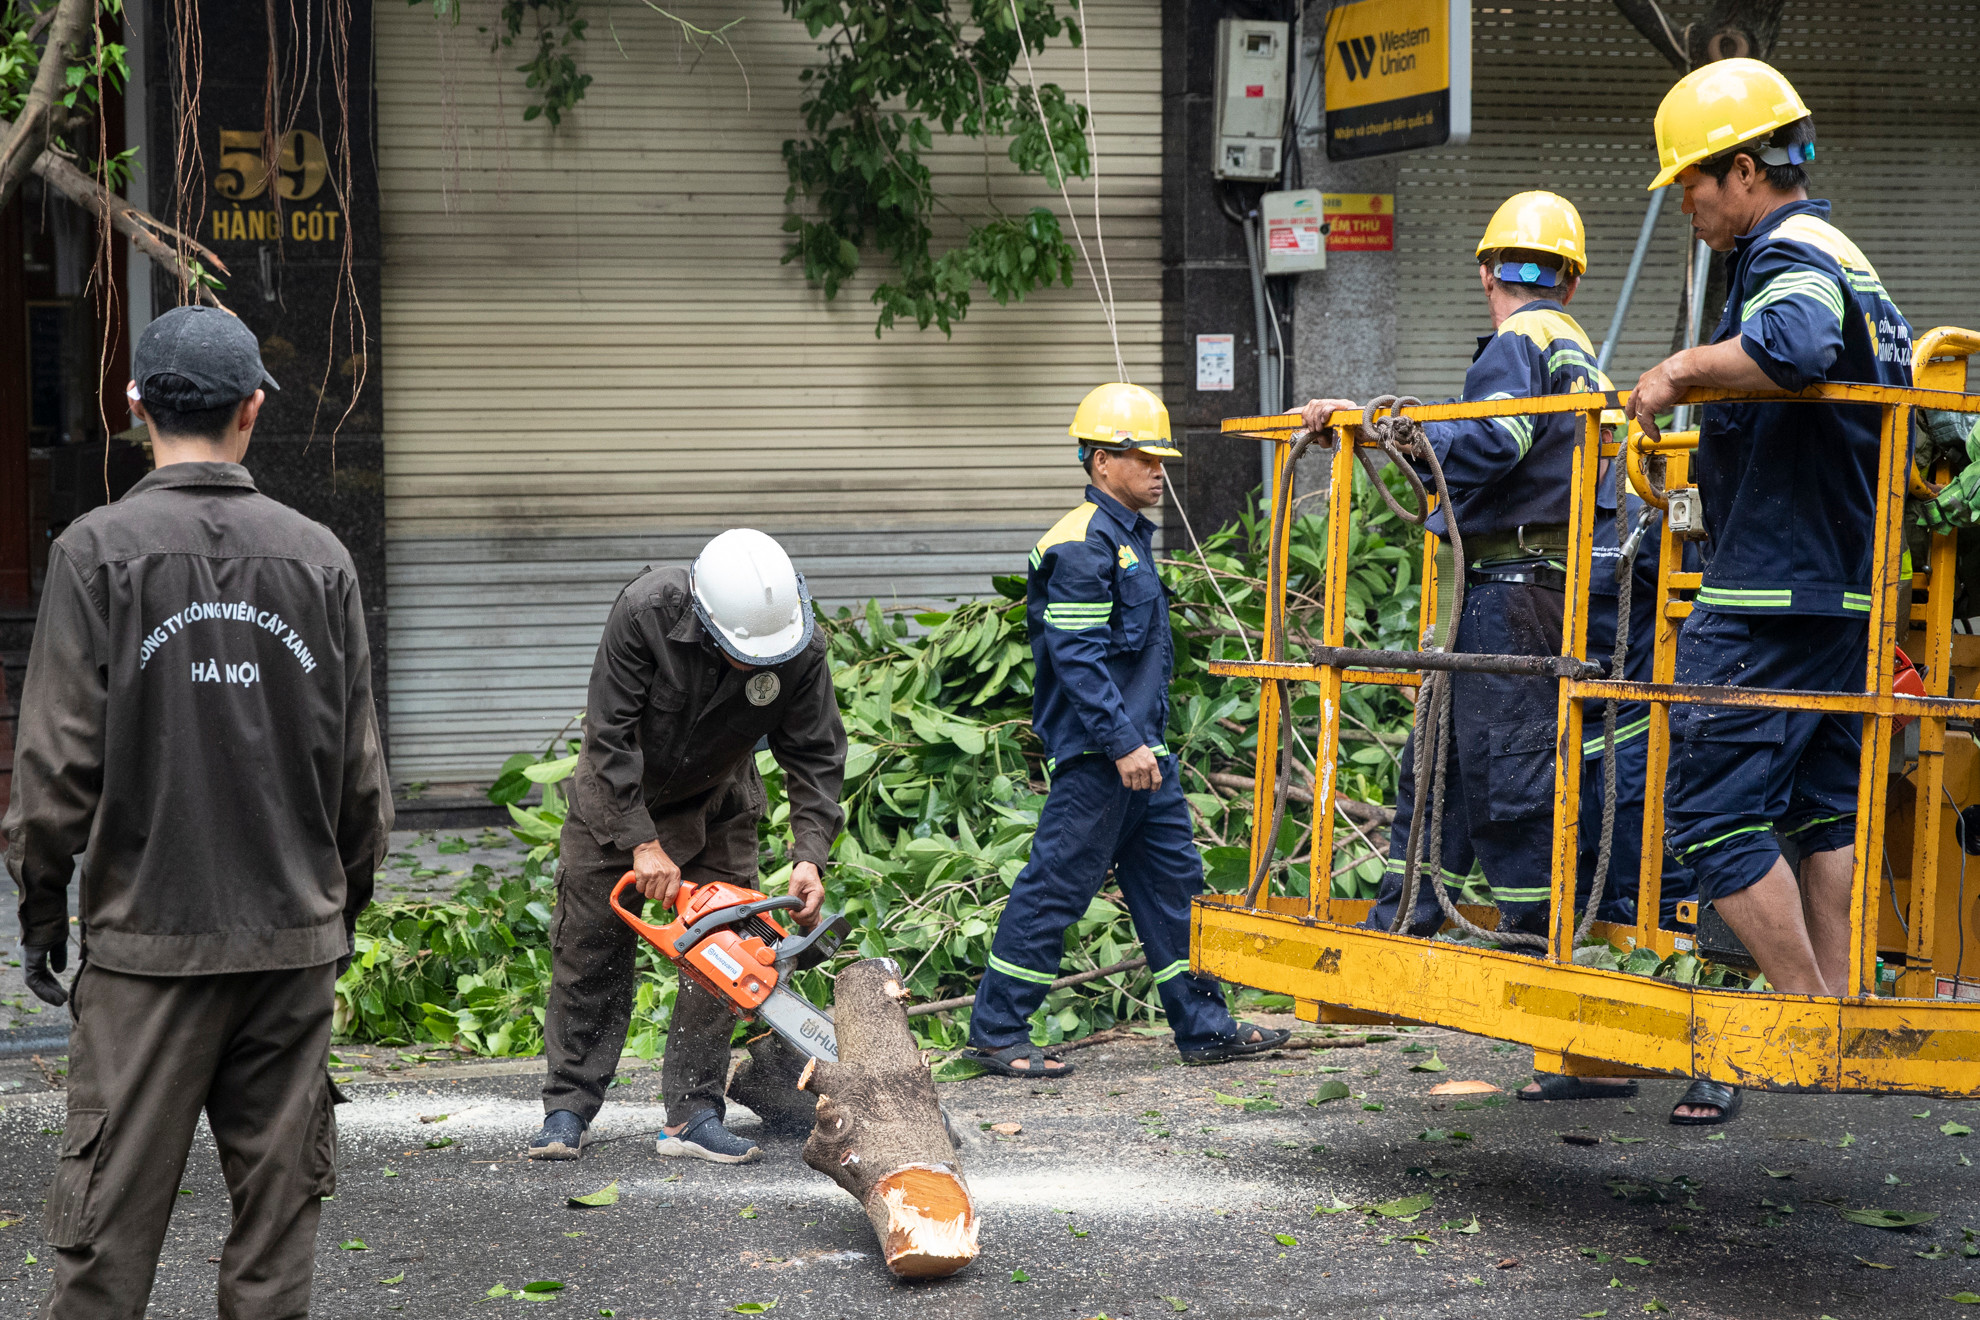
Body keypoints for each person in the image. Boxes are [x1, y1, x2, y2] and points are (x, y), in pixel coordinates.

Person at [2, 305, 391, 1319]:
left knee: (102, 1243)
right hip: (289, 952)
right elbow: (361, 783)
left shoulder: (95, 555)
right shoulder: (320, 560)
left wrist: (43, 915)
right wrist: (335, 914)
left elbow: (51, 770)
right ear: (253, 409)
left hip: (144, 955)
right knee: (273, 1252)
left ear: (136, 410)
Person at [1304, 192, 1676, 1104]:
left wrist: (1386, 430)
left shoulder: (1521, 345)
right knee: (1441, 756)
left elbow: (1497, 440)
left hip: (1513, 592)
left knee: (1509, 777)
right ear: (1573, 275)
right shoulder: (1576, 347)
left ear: (1485, 272)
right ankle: (1411, 909)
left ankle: (1554, 996)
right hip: (1532, 591)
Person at [1625, 59, 1911, 1125]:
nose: (1690, 209)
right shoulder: (1851, 256)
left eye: (1693, 187)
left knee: (1704, 810)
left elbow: (1791, 351)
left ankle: (1800, 1019)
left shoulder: (1787, 252)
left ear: (1744, 171)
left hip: (1770, 595)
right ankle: (1839, 1012)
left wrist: (1678, 374)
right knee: (1820, 806)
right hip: (1841, 591)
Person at [962, 383, 1291, 1078]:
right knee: (1056, 889)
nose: (1159, 471)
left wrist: (1145, 748)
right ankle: (996, 1032)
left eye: (1161, 460)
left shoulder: (1127, 542)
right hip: (1101, 759)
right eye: (1145, 459)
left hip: (1147, 758)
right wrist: (1122, 744)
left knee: (1178, 892)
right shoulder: (1081, 546)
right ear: (1102, 461)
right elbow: (1077, 662)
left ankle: (1205, 1028)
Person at [531, 528, 847, 1164]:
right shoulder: (646, 613)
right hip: (617, 798)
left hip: (719, 801)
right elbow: (609, 736)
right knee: (590, 946)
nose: (753, 665)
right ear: (705, 619)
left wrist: (810, 853)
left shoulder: (798, 645)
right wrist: (640, 842)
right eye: (739, 653)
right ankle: (567, 1107)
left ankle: (694, 1113)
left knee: (726, 954)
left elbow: (814, 755)